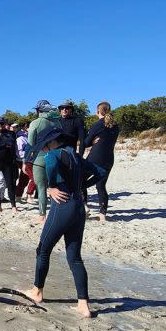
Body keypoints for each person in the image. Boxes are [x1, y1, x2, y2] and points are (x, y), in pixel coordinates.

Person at [22, 137, 107, 318]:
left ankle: (37, 292)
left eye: (45, 145)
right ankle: (83, 305)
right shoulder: (76, 156)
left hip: (63, 206)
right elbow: (101, 172)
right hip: (78, 207)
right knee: (75, 257)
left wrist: (52, 186)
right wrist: (82, 185)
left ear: (52, 143)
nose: (44, 149)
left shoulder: (53, 154)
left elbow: (51, 163)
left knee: (43, 250)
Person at [26, 100, 63, 223]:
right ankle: (56, 214)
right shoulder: (57, 122)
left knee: (41, 188)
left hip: (39, 158)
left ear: (38, 110)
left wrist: (25, 160)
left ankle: (42, 215)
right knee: (55, 186)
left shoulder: (35, 123)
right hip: (56, 157)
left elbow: (30, 143)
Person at [82, 102, 120, 221]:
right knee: (101, 186)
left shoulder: (97, 125)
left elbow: (86, 143)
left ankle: (84, 207)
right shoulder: (115, 126)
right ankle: (102, 214)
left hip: (95, 157)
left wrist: (92, 142)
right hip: (109, 158)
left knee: (80, 180)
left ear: (98, 111)